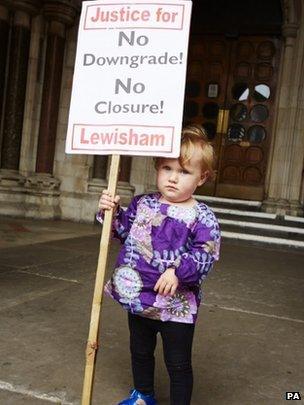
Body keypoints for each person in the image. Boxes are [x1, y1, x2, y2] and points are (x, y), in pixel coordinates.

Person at [97, 125, 221, 405]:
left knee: (177, 362)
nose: (173, 178)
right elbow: (121, 231)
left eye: (184, 172)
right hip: (137, 296)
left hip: (175, 306)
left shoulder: (202, 217)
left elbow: (206, 253)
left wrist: (177, 271)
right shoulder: (143, 204)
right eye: (167, 168)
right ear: (157, 167)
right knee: (140, 351)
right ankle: (143, 394)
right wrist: (111, 212)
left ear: (202, 178)